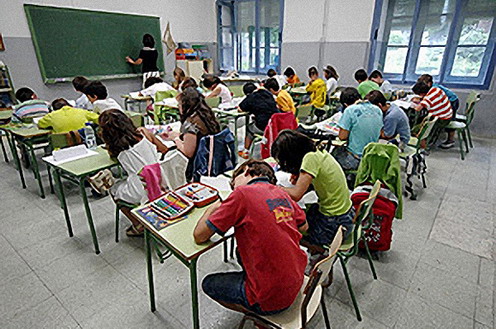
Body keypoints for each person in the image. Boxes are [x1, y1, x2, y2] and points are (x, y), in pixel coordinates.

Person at [194, 159, 308, 317]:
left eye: (234, 182)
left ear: (246, 171)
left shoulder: (241, 194)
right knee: (240, 252)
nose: (233, 188)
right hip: (296, 279)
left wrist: (212, 208)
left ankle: (257, 315)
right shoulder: (282, 193)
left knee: (209, 284)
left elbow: (199, 236)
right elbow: (304, 226)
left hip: (272, 298)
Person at [271, 130, 354, 252]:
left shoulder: (310, 160)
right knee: (305, 214)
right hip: (346, 214)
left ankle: (320, 253)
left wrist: (272, 187)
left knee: (288, 232)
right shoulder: (318, 152)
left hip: (334, 221)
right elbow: (321, 182)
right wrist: (300, 178)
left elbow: (296, 194)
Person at [99, 109, 168, 236]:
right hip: (161, 181)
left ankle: (138, 224)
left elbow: (112, 156)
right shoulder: (143, 134)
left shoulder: (117, 147)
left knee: (114, 190)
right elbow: (163, 149)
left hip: (142, 189)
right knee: (126, 182)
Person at [161, 87, 221, 181]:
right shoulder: (207, 116)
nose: (178, 107)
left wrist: (176, 138)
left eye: (179, 104)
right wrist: (179, 135)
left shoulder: (190, 123)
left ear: (185, 105)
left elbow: (188, 152)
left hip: (197, 165)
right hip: (213, 157)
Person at [335, 87, 383, 171]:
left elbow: (342, 137)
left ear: (345, 104)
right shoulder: (377, 110)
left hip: (356, 159)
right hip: (372, 157)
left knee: (333, 156)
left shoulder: (350, 110)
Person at [237, 82, 279, 159]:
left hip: (264, 127)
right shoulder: (267, 93)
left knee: (249, 129)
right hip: (275, 124)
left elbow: (240, 109)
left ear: (247, 94)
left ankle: (246, 151)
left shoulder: (251, 97)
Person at [417, 74, 458, 149]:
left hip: (452, 101)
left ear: (429, 83)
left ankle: (450, 140)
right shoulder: (432, 88)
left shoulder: (435, 89)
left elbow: (433, 99)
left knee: (450, 118)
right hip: (447, 102)